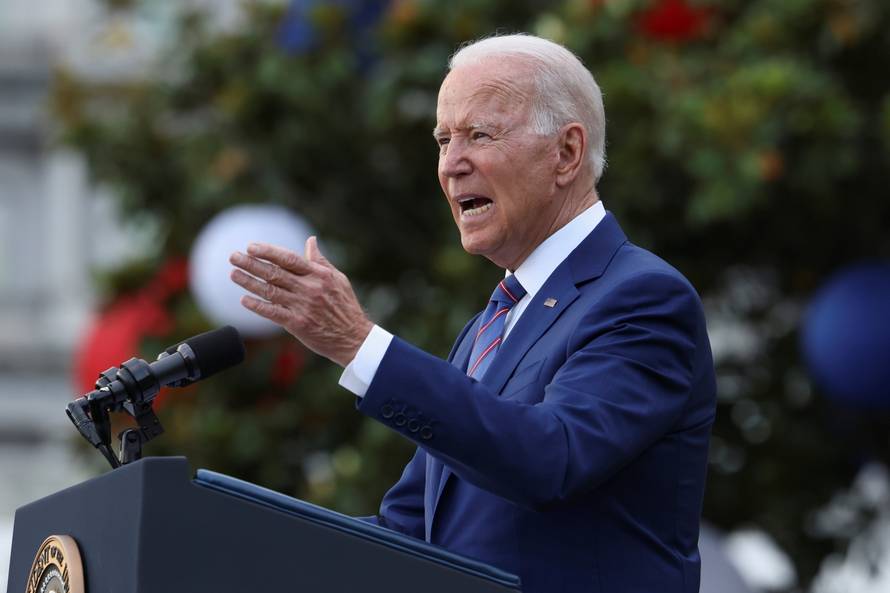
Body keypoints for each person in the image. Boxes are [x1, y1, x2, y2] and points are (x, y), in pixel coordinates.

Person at [229, 34, 716, 593]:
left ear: (566, 153)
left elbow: (550, 459)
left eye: (479, 135)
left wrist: (359, 344)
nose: (451, 165)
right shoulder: (493, 323)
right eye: (442, 140)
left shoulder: (644, 298)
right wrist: (238, 551)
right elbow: (411, 532)